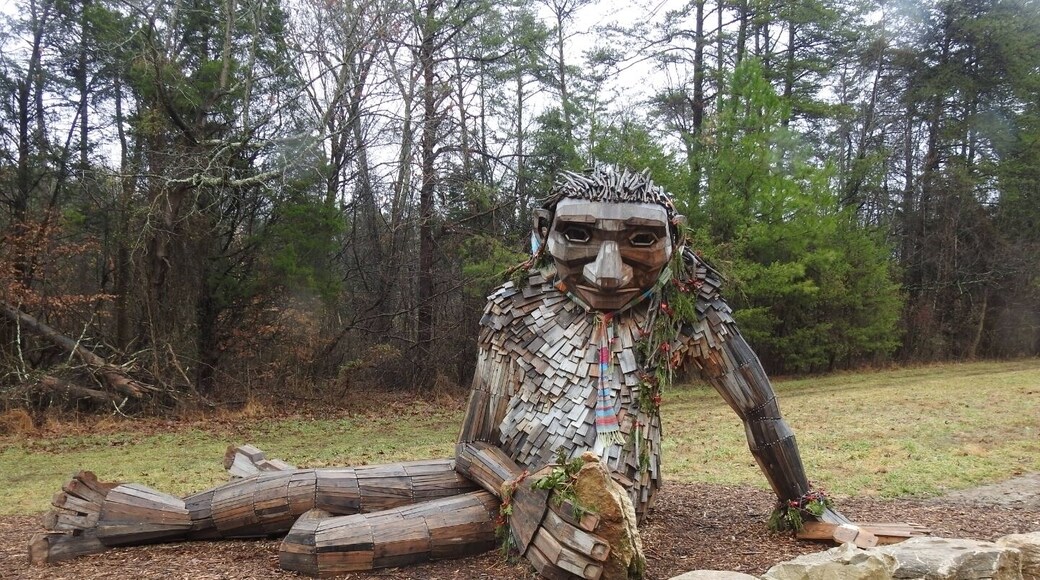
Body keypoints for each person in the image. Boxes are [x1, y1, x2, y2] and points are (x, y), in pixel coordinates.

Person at [34, 166, 843, 578]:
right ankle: (153, 513)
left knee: (325, 540)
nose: (607, 269)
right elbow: (470, 446)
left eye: (639, 242)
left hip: (599, 490)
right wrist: (513, 485)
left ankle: (208, 504)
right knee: (318, 485)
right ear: (543, 234)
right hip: (502, 477)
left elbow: (762, 415)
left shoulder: (690, 313)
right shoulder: (514, 310)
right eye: (580, 237)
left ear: (672, 240)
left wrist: (805, 506)